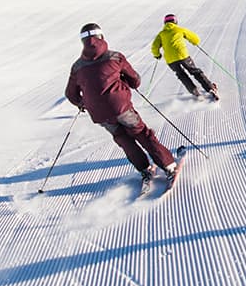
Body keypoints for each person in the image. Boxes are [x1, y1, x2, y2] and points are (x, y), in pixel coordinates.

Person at [66, 22, 180, 187]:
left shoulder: (77, 67)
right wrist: (127, 81)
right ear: (101, 36)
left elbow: (70, 94)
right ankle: (169, 166)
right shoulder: (115, 57)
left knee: (123, 139)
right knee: (142, 134)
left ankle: (145, 169)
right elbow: (135, 80)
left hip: (100, 115)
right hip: (121, 108)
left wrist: (83, 103)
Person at [151, 13, 220, 101]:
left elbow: (154, 46)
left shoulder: (161, 34)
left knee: (181, 75)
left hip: (170, 60)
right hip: (183, 56)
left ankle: (194, 91)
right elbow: (195, 38)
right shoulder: (179, 30)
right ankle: (210, 88)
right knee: (194, 71)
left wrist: (157, 55)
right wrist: (195, 42)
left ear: (165, 23)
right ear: (175, 21)